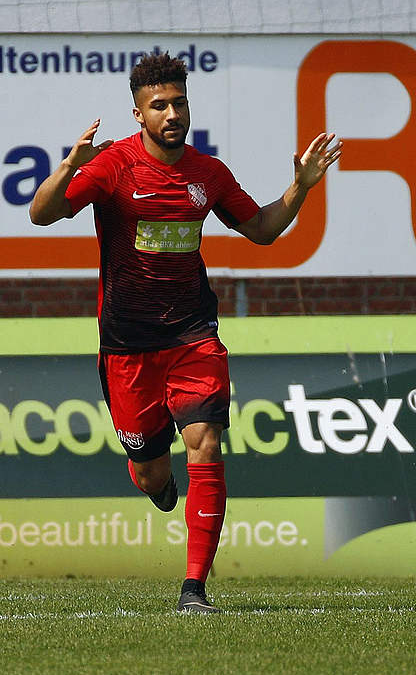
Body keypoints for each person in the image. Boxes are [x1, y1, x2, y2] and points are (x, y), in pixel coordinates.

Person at [30, 54, 341, 613]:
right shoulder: (114, 168)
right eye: (159, 106)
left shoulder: (208, 174)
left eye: (179, 103)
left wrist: (301, 188)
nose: (172, 113)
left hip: (193, 335)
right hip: (127, 346)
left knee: (206, 442)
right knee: (150, 472)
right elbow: (40, 214)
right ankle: (158, 484)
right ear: (138, 114)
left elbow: (263, 231)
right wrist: (70, 167)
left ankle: (194, 587)